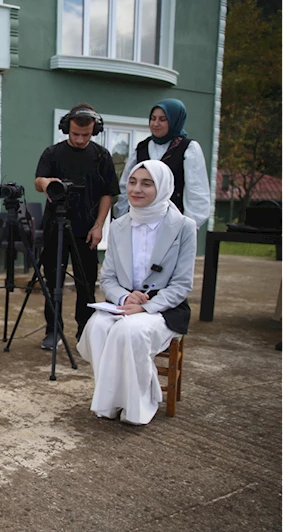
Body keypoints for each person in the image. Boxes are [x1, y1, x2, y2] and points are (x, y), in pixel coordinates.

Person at [77, 160, 196, 425]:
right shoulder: (119, 225)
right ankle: (113, 400)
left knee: (128, 331)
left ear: (163, 187)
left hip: (163, 309)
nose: (136, 189)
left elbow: (181, 285)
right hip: (124, 303)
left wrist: (145, 306)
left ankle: (140, 404)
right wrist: (123, 297)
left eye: (146, 183)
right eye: (132, 182)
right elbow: (107, 277)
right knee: (96, 327)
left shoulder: (184, 227)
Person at [34, 103, 119, 349]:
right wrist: (46, 182)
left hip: (87, 229)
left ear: (95, 130)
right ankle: (53, 330)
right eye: (75, 134)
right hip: (54, 226)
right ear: (66, 129)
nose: (81, 139)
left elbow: (107, 194)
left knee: (86, 283)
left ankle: (85, 331)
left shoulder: (102, 156)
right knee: (53, 281)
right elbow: (38, 181)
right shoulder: (52, 153)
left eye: (86, 134)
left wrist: (99, 225)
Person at [114, 98, 210, 229]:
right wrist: (122, 219)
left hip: (172, 225)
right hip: (139, 223)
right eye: (153, 119)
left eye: (162, 119)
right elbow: (126, 186)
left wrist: (187, 227)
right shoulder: (142, 148)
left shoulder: (188, 148)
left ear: (175, 121)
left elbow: (197, 192)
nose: (156, 124)